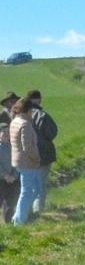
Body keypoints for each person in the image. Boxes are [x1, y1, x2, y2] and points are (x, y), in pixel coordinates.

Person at [9, 95, 44, 225]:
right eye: (32, 111)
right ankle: (19, 220)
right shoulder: (25, 125)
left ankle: (18, 216)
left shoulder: (15, 121)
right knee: (29, 191)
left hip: (19, 161)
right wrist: (37, 158)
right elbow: (28, 147)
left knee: (33, 189)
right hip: (27, 162)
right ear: (28, 110)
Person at [25, 89, 57, 213]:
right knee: (40, 185)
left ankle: (24, 211)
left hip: (24, 157)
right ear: (38, 100)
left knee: (27, 186)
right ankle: (38, 211)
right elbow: (52, 132)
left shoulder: (18, 115)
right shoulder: (42, 115)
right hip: (43, 156)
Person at [0, 91, 17, 224]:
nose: (12, 103)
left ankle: (9, 215)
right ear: (6, 103)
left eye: (14, 101)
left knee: (11, 194)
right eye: (10, 101)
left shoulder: (16, 115)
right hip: (3, 152)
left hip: (13, 155)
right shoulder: (2, 116)